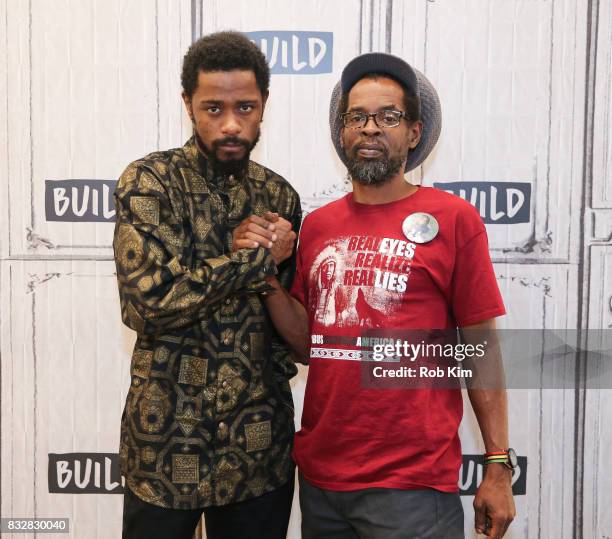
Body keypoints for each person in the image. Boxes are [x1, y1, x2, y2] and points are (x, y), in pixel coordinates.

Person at [241, 52, 516, 538]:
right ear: (342, 132)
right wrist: (265, 278)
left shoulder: (453, 219)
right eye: (357, 117)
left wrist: (497, 463)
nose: (371, 128)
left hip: (411, 485)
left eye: (388, 116)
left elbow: (482, 348)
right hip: (323, 482)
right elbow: (310, 345)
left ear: (413, 133)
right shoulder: (320, 226)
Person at [112, 31, 300, 539]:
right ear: (188, 106)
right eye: (213, 108)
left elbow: (295, 335)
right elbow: (149, 303)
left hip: (258, 450)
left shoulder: (279, 195)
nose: (231, 124)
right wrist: (253, 261)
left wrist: (266, 276)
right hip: (165, 449)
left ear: (264, 106)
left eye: (245, 106)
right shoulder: (150, 182)